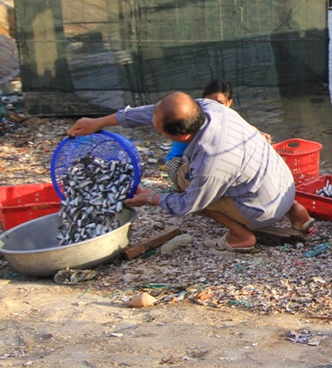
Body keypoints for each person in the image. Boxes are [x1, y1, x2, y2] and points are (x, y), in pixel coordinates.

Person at [68, 91, 315, 252]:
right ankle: (296, 211)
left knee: (187, 183)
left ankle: (241, 237)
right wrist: (99, 122)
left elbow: (187, 204)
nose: (155, 128)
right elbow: (155, 111)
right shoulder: (209, 107)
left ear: (182, 136)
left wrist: (151, 198)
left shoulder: (210, 162)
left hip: (263, 211)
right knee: (243, 175)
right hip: (285, 185)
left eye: (159, 130)